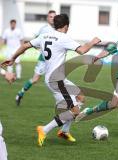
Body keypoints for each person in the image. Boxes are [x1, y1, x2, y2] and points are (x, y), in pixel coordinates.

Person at [1, 14, 101, 147]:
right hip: (56, 81)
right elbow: (82, 50)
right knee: (75, 111)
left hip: (57, 78)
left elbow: (25, 45)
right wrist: (93, 42)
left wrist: (13, 58)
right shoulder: (64, 38)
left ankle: (64, 131)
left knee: (81, 97)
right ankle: (44, 129)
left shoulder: (45, 36)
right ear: (66, 26)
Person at [15, 10, 56, 106]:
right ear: (47, 18)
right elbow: (35, 40)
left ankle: (64, 101)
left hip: (54, 59)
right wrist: (39, 48)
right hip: (43, 59)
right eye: (50, 16)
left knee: (56, 79)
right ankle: (20, 93)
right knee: (35, 79)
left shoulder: (58, 29)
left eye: (54, 16)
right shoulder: (44, 29)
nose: (52, 18)